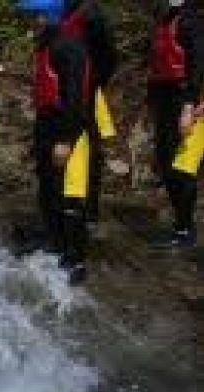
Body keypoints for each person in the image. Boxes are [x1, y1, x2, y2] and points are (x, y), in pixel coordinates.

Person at [19, 0, 92, 285]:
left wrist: (65, 139)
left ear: (48, 17)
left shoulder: (69, 47)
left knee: (70, 197)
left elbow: (75, 97)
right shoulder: (47, 45)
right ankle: (55, 240)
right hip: (47, 127)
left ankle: (76, 257)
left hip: (68, 131)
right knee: (49, 188)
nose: (31, 21)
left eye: (35, 16)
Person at [147, 0, 204, 248]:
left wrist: (190, 104)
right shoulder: (165, 18)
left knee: (182, 165)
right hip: (166, 98)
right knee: (165, 160)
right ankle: (180, 225)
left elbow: (198, 65)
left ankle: (185, 230)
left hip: (186, 100)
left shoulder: (191, 21)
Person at [59, 0, 118, 227]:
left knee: (88, 148)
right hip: (64, 91)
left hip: (84, 90)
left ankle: (89, 209)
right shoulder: (64, 10)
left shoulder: (92, 15)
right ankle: (69, 203)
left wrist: (93, 82)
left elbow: (109, 56)